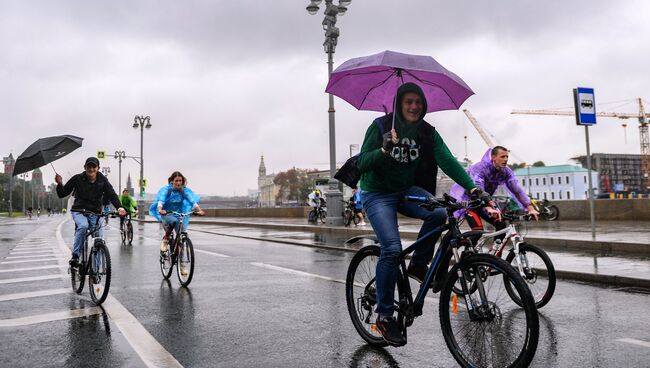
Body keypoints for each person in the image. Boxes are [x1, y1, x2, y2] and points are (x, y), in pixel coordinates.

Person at [356, 82, 492, 346]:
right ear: (399, 104)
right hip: (377, 193)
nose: (414, 106)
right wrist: (383, 149)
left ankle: (419, 264)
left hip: (406, 189)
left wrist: (473, 188)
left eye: (418, 102)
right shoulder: (381, 126)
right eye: (408, 102)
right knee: (392, 248)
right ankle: (384, 316)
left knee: (439, 213)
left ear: (423, 106)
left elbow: (448, 159)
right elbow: (361, 163)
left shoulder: (427, 133)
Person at [449, 146, 539, 237]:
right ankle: (467, 250)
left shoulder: (506, 172)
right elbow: (477, 188)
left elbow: (517, 190)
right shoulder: (480, 168)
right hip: (470, 202)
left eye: (507, 157)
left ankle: (495, 249)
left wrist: (530, 208)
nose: (506, 159)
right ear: (493, 157)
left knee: (501, 224)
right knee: (478, 231)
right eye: (502, 157)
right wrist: (488, 206)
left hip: (486, 203)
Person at [55, 157, 126, 266]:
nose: (91, 169)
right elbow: (62, 193)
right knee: (83, 226)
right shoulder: (77, 178)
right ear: (85, 167)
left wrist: (119, 207)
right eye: (89, 166)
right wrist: (59, 184)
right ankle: (75, 256)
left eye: (94, 167)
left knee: (99, 239)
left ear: (98, 168)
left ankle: (96, 271)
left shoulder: (102, 180)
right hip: (79, 211)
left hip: (96, 213)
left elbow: (111, 194)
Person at [149, 171, 205, 275]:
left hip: (178, 214)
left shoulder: (184, 191)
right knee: (174, 222)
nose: (178, 183)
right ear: (172, 181)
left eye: (180, 181)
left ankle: (182, 265)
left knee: (181, 239)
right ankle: (166, 240)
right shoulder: (167, 190)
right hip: (166, 214)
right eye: (176, 181)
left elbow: (192, 201)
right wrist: (160, 209)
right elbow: (161, 200)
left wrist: (199, 210)